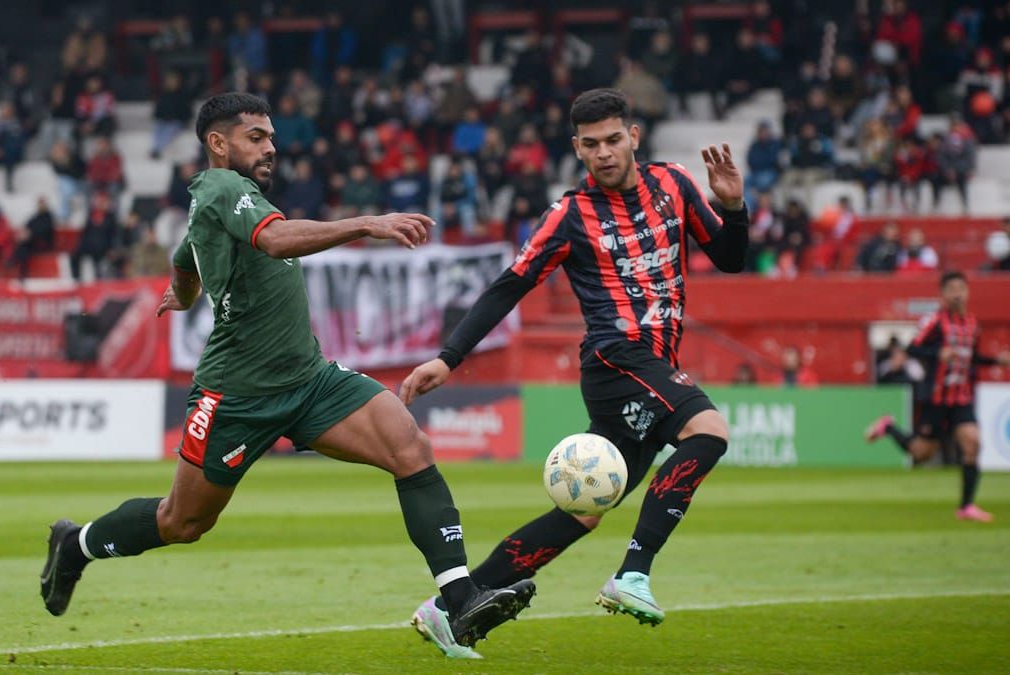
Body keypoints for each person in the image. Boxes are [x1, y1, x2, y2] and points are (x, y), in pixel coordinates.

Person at [39, 93, 536, 648]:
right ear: (218, 143)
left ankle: (460, 600)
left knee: (410, 448)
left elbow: (186, 257)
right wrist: (367, 223)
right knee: (182, 522)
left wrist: (184, 293)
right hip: (236, 394)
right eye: (256, 137)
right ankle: (76, 545)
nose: (270, 147)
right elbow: (274, 241)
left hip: (309, 380)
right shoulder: (222, 187)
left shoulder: (228, 200)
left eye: (271, 137)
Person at [399, 88, 749, 655]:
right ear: (577, 149)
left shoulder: (676, 184)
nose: (604, 152)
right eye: (591, 144)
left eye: (613, 139)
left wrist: (733, 207)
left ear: (633, 137)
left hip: (655, 365)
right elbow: (509, 286)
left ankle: (449, 607)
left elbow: (731, 259)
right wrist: (448, 357)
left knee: (584, 511)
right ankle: (632, 573)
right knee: (708, 432)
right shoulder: (569, 215)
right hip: (616, 358)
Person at [865, 272, 1010, 522]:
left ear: (967, 292)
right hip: (936, 398)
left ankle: (966, 506)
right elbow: (912, 348)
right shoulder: (934, 322)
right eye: (951, 289)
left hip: (961, 398)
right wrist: (936, 353)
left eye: (961, 288)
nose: (957, 294)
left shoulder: (973, 324)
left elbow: (972, 358)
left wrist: (996, 360)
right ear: (942, 294)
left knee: (972, 442)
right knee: (921, 453)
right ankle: (888, 427)